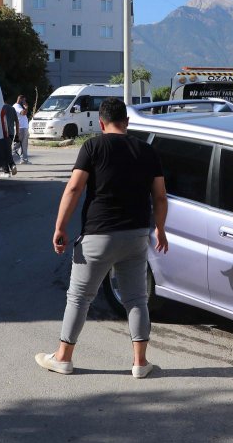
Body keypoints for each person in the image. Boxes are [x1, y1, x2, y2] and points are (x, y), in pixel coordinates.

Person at [36, 98, 169, 378]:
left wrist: (60, 227)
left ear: (100, 122)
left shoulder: (93, 147)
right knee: (136, 299)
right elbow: (159, 195)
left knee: (79, 298)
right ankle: (140, 363)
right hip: (135, 236)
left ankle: (63, 357)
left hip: (99, 235)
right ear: (127, 122)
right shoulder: (147, 151)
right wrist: (161, 229)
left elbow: (74, 189)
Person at [0, 96, 20, 176]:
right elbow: (17, 122)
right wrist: (17, 134)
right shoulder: (12, 108)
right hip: (11, 133)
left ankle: (6, 172)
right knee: (7, 151)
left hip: (3, 133)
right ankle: (12, 166)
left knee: (2, 152)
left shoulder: (0, 108)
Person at [15, 95, 31, 164]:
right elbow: (23, 113)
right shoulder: (17, 106)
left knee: (24, 145)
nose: (25, 102)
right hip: (21, 128)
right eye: (24, 100)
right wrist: (26, 107)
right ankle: (10, 160)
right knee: (17, 145)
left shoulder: (19, 106)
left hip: (23, 128)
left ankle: (24, 160)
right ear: (20, 99)